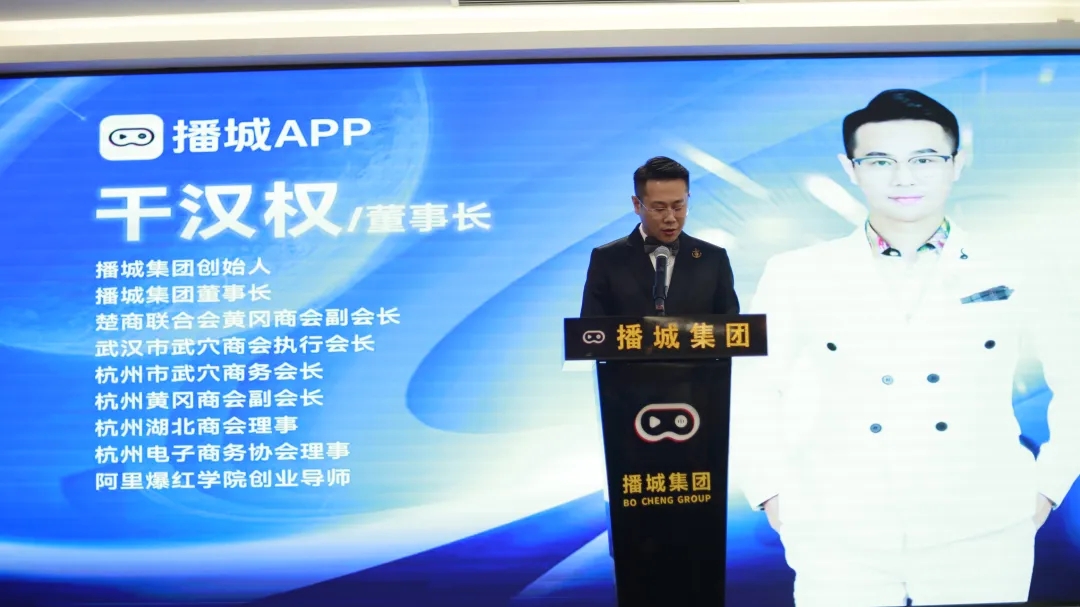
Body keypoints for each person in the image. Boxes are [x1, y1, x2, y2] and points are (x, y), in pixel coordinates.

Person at [730, 89, 1080, 607]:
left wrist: (1048, 487)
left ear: (957, 163)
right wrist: (771, 494)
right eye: (879, 161)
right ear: (850, 168)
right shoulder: (797, 272)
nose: (904, 178)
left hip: (983, 525)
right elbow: (752, 387)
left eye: (924, 159)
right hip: (838, 526)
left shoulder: (1018, 264)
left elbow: (1075, 379)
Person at [580, 156, 739, 317]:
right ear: (637, 204)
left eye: (678, 207)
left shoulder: (713, 259)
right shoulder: (607, 259)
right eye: (659, 208)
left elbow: (733, 328)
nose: (670, 218)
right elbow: (590, 329)